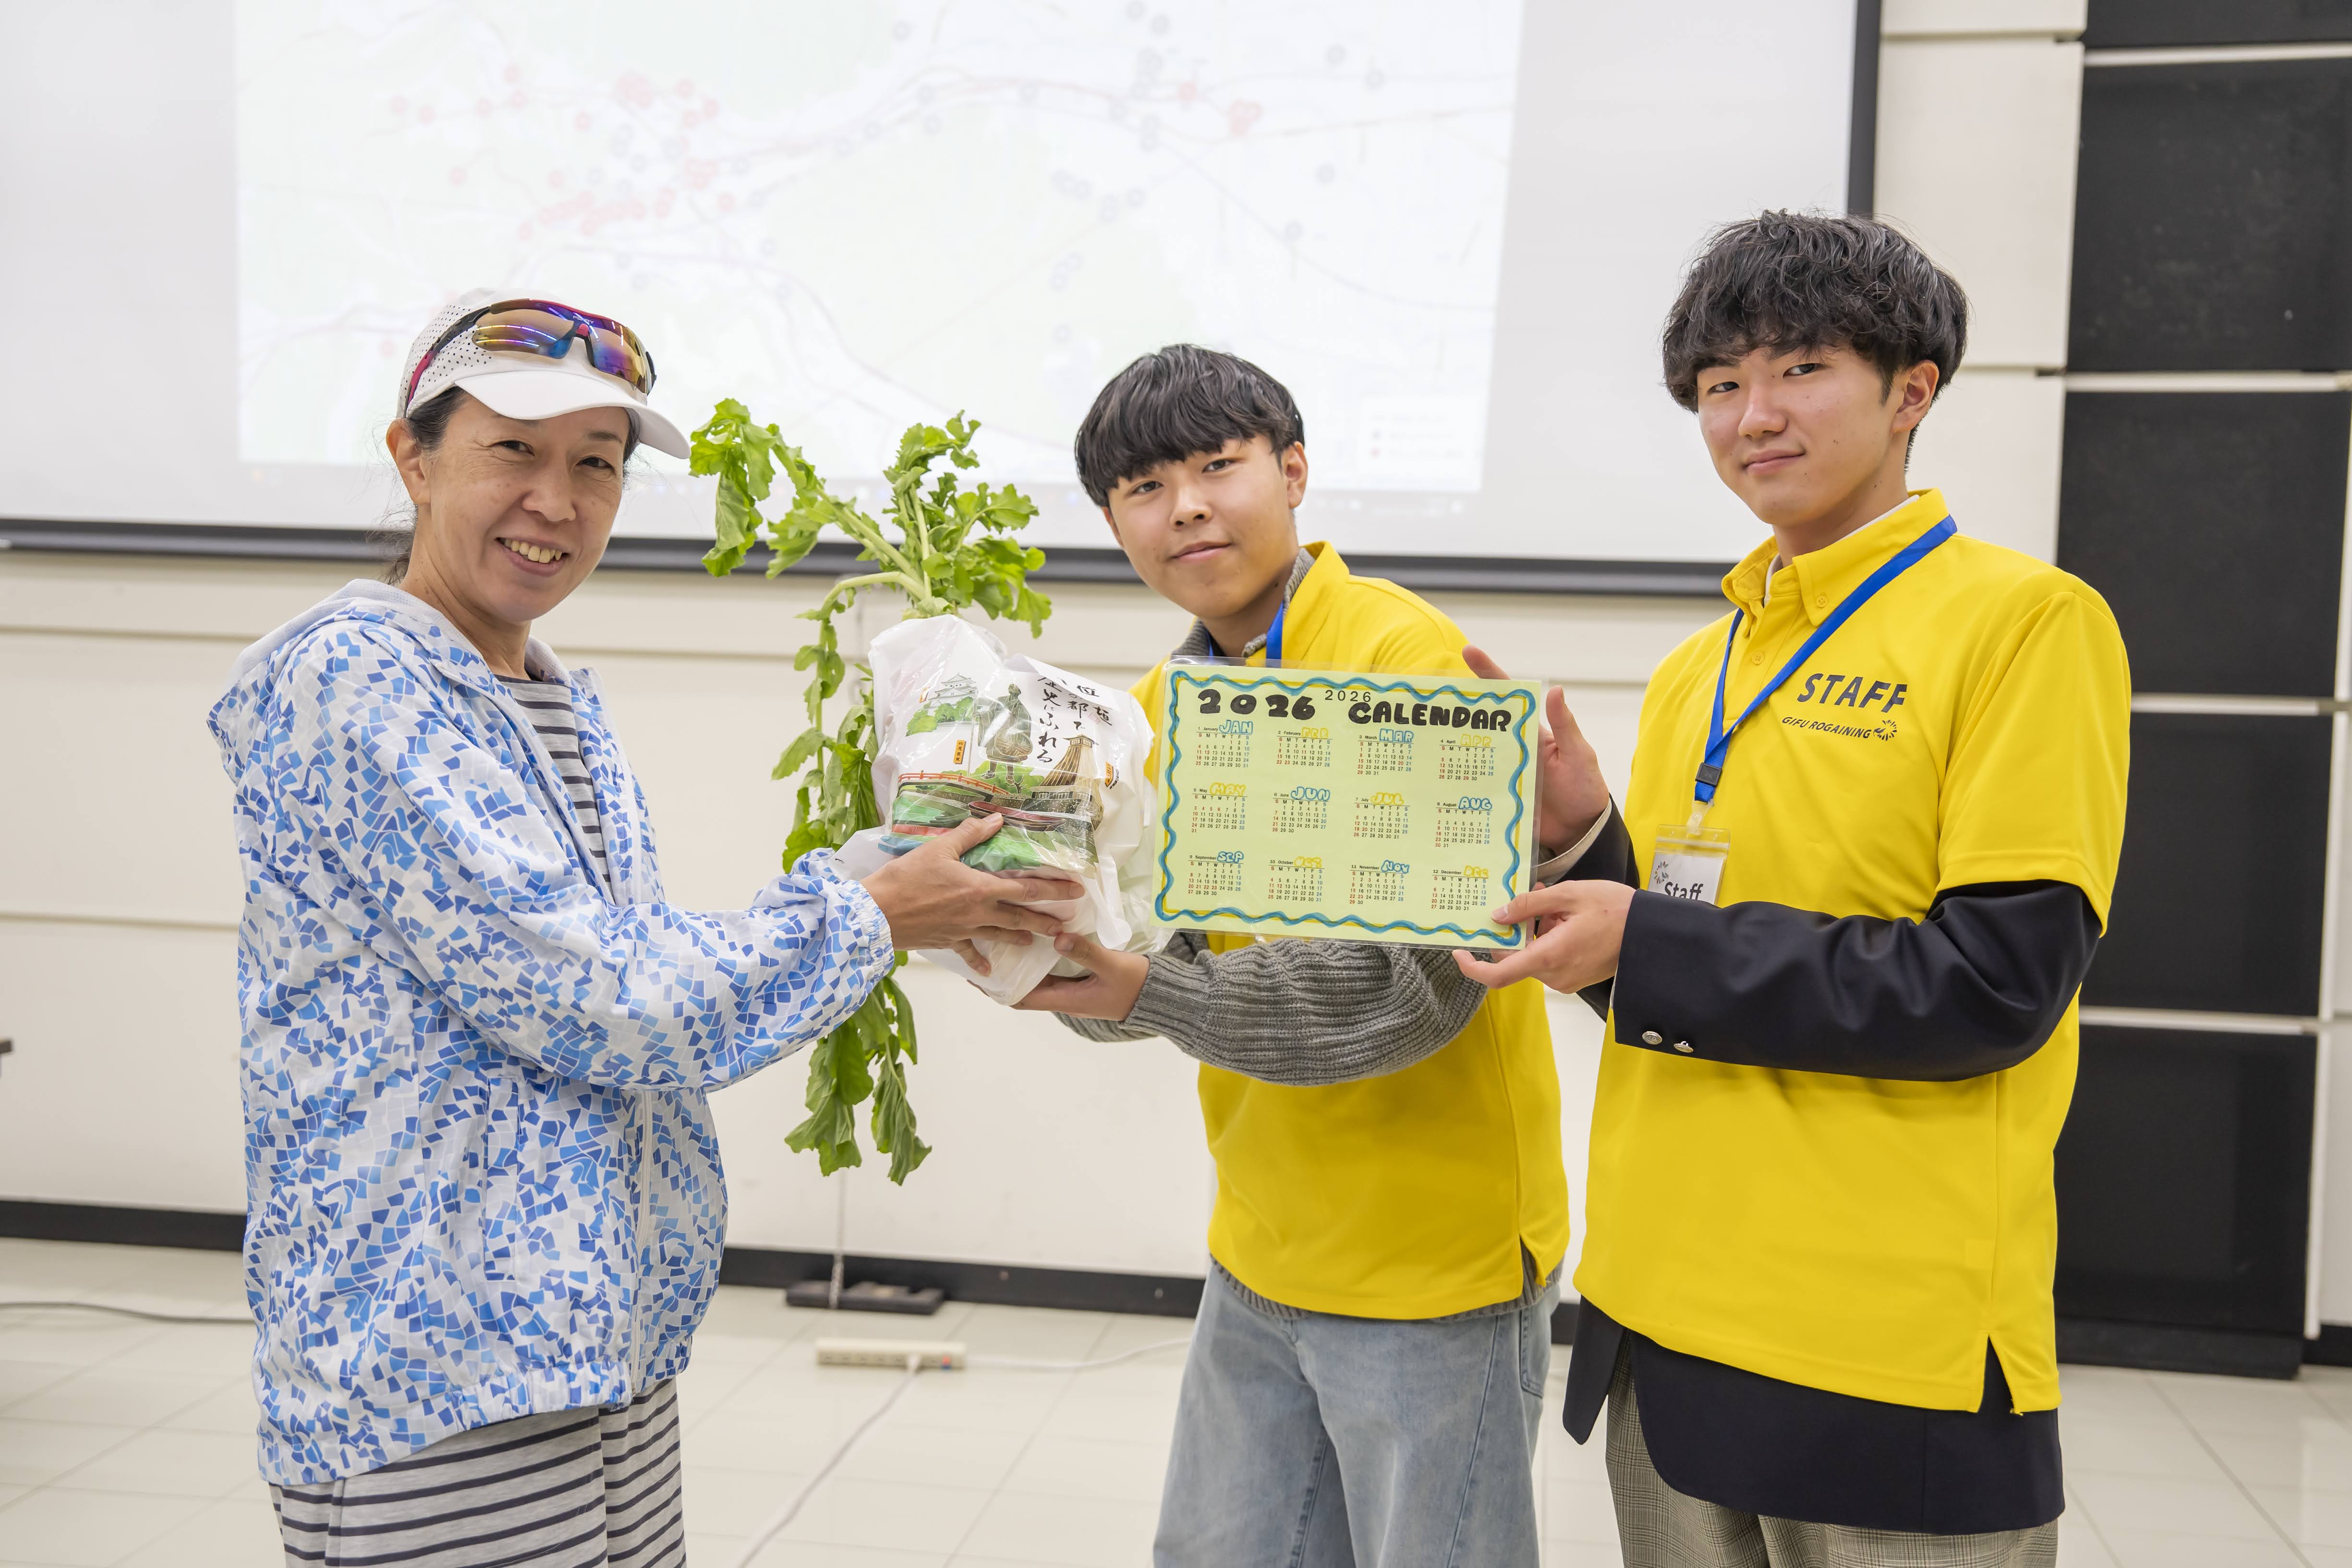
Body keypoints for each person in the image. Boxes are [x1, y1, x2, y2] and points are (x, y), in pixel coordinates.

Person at [208, 291, 1079, 1567]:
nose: (557, 501)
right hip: (432, 1357)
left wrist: (899, 867)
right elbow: (594, 997)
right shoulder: (358, 679)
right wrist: (868, 914)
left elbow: (620, 957)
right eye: (514, 448)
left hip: (586, 1332)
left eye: (596, 464)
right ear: (413, 455)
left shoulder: (532, 689)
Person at [1455, 213, 2131, 1568]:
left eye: (1801, 368)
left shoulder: (2024, 623)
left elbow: (1992, 987)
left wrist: (1644, 929)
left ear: (1912, 392)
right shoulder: (1697, 666)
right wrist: (1585, 843)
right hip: (1661, 1323)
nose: (1752, 414)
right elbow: (1666, 977)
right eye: (1718, 384)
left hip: (1885, 1342)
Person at [1018, 344, 1603, 1567]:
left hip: (1435, 1265)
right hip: (1258, 1244)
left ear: (1292, 473)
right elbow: (1130, 985)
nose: (1182, 506)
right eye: (1140, 488)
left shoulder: (1405, 658)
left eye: (1216, 467)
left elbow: (1407, 991)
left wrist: (1139, 981)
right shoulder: (1150, 710)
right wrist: (1029, 935)